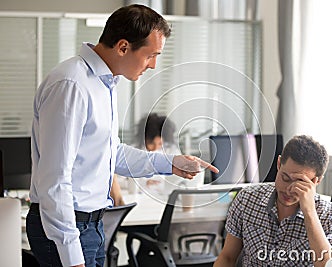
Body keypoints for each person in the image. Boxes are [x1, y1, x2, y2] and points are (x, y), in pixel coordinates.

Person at [26, 5, 218, 267]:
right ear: (123, 47)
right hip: (67, 228)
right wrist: (71, 254)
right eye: (151, 55)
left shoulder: (105, 84)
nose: (153, 65)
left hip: (91, 225)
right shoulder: (72, 85)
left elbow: (111, 154)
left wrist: (170, 162)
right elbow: (55, 179)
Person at [214, 135, 332, 267]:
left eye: (299, 183)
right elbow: (227, 257)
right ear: (279, 164)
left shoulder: (331, 216)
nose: (288, 190)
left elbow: (328, 265)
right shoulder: (247, 199)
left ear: (315, 181)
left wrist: (309, 213)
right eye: (285, 178)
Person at [110, 113, 179, 205]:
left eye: (159, 144)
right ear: (144, 138)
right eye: (151, 143)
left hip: (163, 198)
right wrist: (144, 183)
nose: (155, 148)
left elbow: (178, 181)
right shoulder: (131, 152)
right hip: (138, 198)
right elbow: (117, 181)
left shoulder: (171, 151)